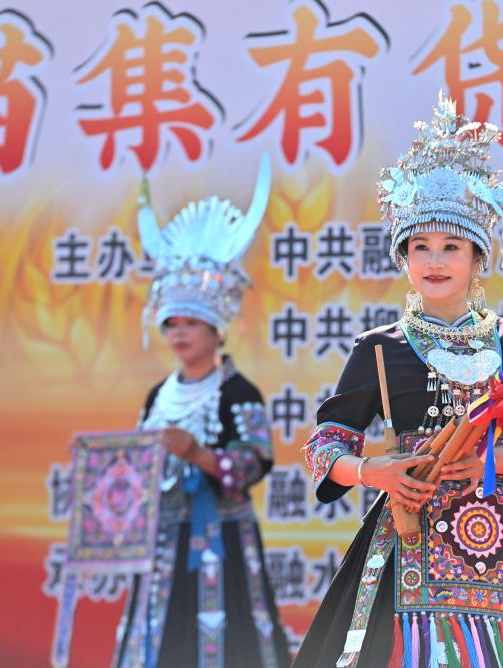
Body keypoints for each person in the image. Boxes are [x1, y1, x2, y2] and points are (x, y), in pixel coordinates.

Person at [294, 95, 503, 668]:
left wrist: (489, 462)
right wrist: (374, 472)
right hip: (411, 538)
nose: (435, 260)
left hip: (502, 549)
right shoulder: (380, 348)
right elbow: (327, 443)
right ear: (404, 258)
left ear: (477, 258)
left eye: (451, 246)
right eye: (420, 247)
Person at [113, 156, 291, 668]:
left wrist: (197, 454)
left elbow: (256, 460)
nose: (180, 333)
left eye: (191, 322)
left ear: (217, 328)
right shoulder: (158, 395)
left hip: (221, 542)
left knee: (226, 642)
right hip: (162, 543)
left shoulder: (239, 392)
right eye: (172, 323)